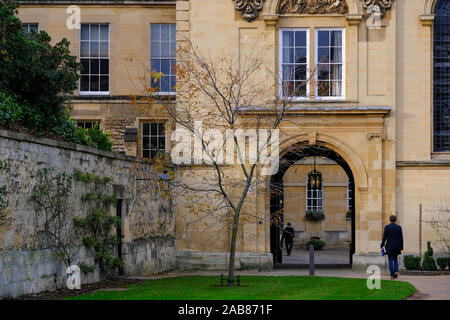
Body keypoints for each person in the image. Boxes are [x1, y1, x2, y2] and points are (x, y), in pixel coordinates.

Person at [381, 215, 404, 279]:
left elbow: (384, 237)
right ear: (395, 220)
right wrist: (401, 247)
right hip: (397, 246)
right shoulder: (399, 227)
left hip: (390, 246)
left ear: (390, 219)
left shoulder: (387, 227)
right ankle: (396, 272)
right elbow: (401, 238)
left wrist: (382, 245)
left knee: (390, 260)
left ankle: (392, 275)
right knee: (395, 259)